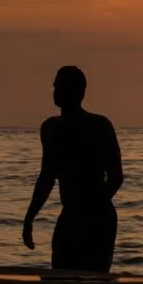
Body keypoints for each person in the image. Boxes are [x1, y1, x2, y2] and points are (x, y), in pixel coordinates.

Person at [22, 66, 124, 272]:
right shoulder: (51, 128)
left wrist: (91, 208)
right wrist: (29, 217)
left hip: (98, 217)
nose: (57, 91)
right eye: (56, 86)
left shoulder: (99, 126)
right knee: (61, 280)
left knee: (94, 282)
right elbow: (47, 177)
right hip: (70, 214)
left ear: (79, 92)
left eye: (63, 86)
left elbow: (116, 177)